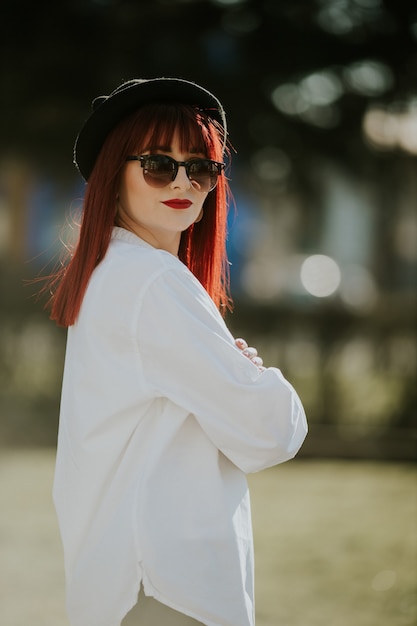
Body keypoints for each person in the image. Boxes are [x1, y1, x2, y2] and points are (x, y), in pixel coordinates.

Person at [48, 77, 307, 626]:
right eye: (158, 164)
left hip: (129, 581)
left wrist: (233, 375)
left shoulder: (113, 273)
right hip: (166, 588)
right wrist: (254, 375)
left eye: (202, 167)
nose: (183, 182)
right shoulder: (151, 282)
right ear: (112, 174)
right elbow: (270, 434)